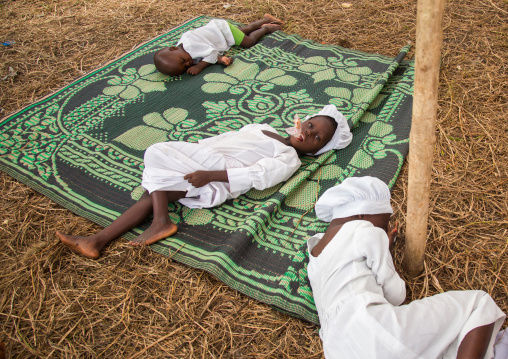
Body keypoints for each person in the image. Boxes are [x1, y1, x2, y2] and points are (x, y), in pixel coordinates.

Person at [57, 104, 353, 259]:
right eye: (311, 126)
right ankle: (97, 240)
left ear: (318, 150)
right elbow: (226, 139)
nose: (310, 134)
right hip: (204, 158)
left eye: (317, 139)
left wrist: (209, 173)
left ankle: (161, 221)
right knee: (152, 192)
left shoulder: (289, 158)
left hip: (218, 175)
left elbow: (258, 175)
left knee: (155, 151)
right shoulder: (263, 128)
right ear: (302, 121)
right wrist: (195, 151)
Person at [307, 176, 506, 359]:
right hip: (372, 329)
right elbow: (397, 295)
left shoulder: (315, 256)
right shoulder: (364, 230)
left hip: (336, 349)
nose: (385, 230)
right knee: (477, 303)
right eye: (384, 224)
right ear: (361, 214)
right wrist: (386, 253)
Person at [154, 15, 282, 76]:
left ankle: (266, 28)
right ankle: (265, 19)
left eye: (183, 61)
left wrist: (200, 66)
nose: (188, 63)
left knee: (248, 41)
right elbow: (209, 53)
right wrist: (221, 60)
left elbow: (212, 52)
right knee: (245, 29)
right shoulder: (182, 49)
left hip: (223, 32)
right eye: (184, 67)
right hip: (218, 29)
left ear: (174, 48)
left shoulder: (191, 48)